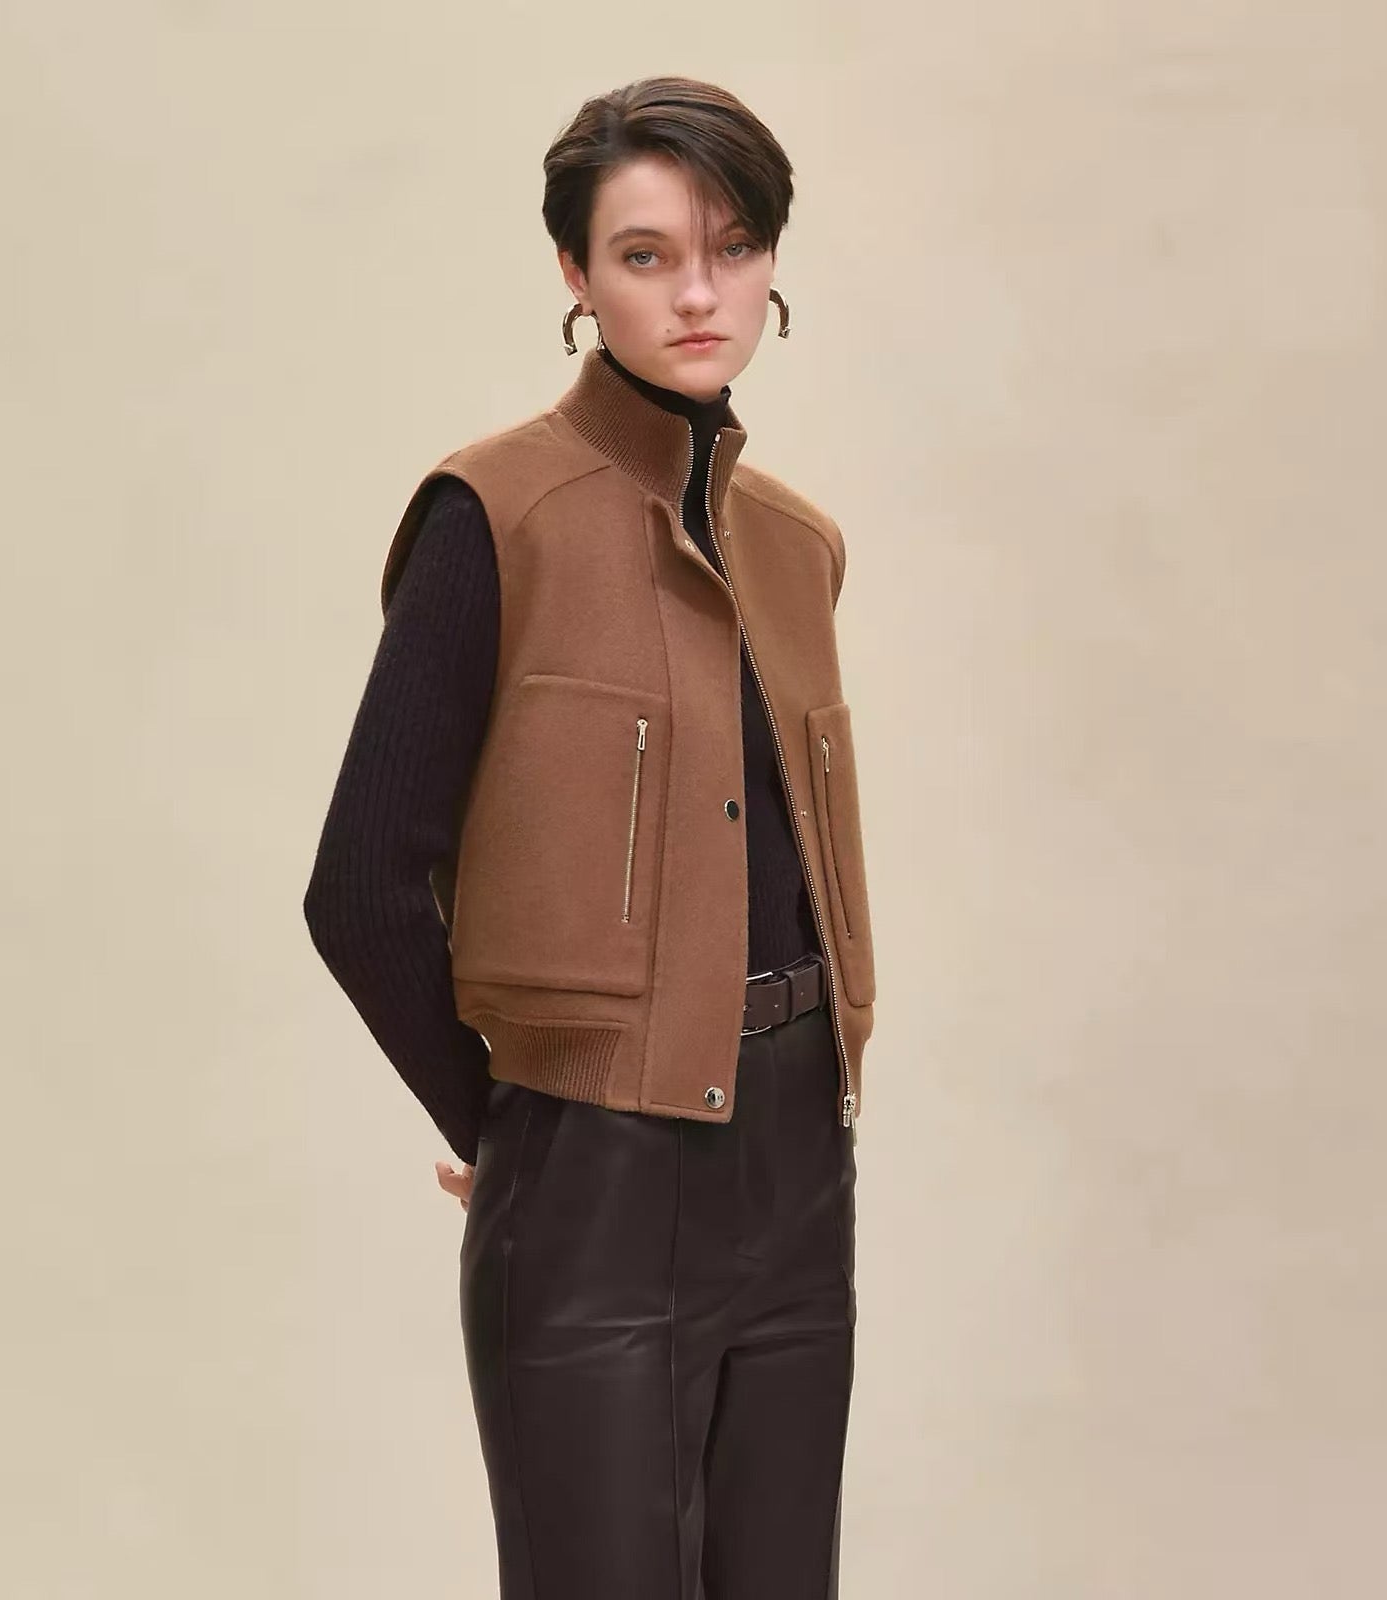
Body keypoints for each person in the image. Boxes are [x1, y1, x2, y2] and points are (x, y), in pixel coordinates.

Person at [303, 73, 877, 1600]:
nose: (698, 293)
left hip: (798, 1172)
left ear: (772, 261)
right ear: (574, 271)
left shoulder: (799, 549)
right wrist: (509, 1130)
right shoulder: (493, 518)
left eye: (733, 247)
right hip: (596, 1180)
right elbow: (360, 889)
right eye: (644, 254)